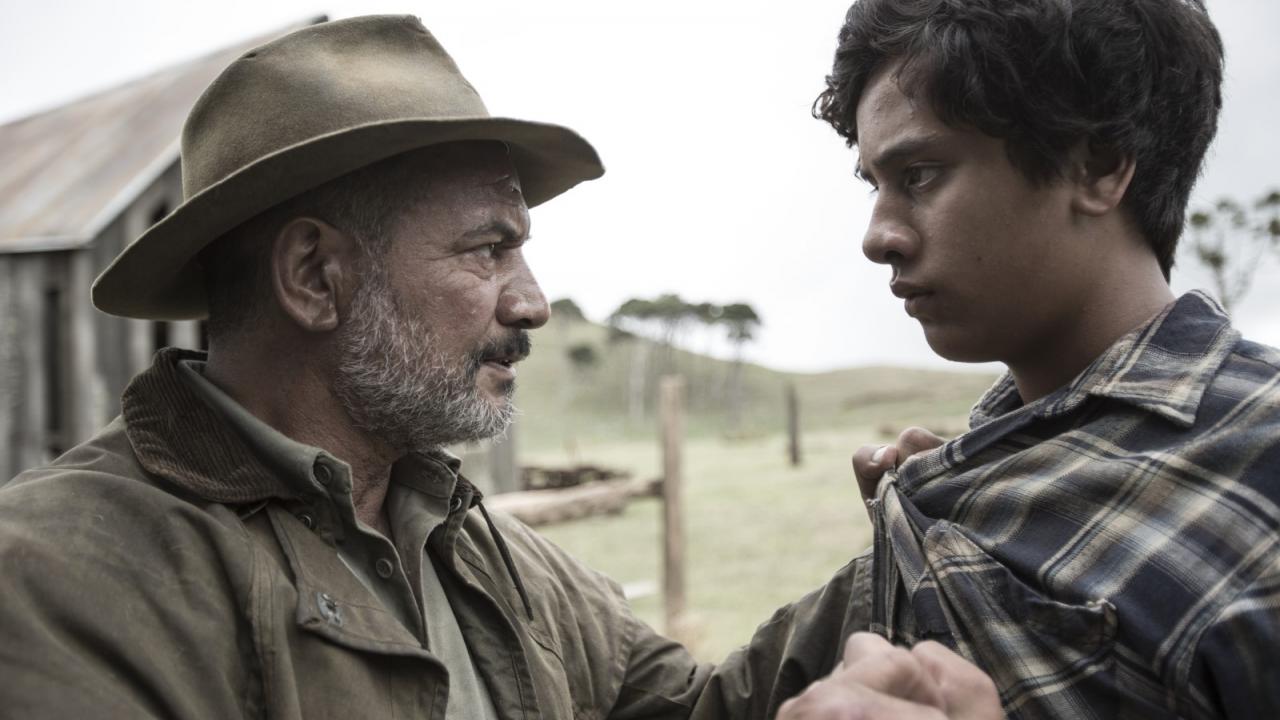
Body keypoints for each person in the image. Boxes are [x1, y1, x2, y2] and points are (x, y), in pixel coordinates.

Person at [0, 14, 1000, 719]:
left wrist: (905, 552)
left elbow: (690, 709)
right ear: (315, 275)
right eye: (486, 249)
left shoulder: (466, 542)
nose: (530, 301)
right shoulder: (57, 580)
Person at [814, 0, 1280, 717]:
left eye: (921, 174)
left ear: (1096, 165)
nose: (879, 237)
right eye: (874, 184)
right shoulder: (952, 479)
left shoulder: (1262, 458)